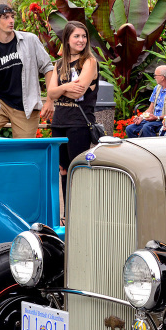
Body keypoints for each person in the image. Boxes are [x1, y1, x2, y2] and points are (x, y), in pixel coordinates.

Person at [0, 4, 55, 137]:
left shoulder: (30, 40)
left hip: (26, 107)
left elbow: (48, 67)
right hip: (1, 105)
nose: (11, 21)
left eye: (12, 17)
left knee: (23, 149)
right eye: (6, 18)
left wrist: (50, 100)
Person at [47, 21, 99, 198]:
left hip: (79, 123)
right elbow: (51, 93)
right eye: (76, 36)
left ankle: (80, 211)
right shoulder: (59, 64)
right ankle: (66, 213)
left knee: (77, 168)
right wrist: (65, 88)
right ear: (67, 39)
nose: (81, 40)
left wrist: (59, 90)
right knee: (63, 168)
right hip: (59, 122)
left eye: (84, 36)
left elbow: (79, 92)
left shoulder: (89, 62)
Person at [125, 64, 166, 138]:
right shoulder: (157, 88)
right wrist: (141, 117)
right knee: (130, 129)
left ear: (162, 77)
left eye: (156, 75)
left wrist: (157, 117)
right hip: (153, 120)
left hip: (164, 121)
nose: (154, 77)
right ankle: (138, 148)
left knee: (147, 127)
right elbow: (150, 108)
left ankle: (152, 148)